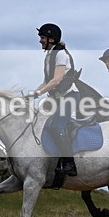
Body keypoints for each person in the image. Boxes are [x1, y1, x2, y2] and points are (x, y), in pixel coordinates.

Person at [31, 23, 79, 176]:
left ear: (51, 39)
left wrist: (38, 93)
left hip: (69, 97)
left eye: (42, 37)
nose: (40, 40)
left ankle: (69, 164)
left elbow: (57, 80)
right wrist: (32, 94)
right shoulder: (49, 55)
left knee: (56, 126)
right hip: (57, 99)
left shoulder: (61, 54)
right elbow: (47, 81)